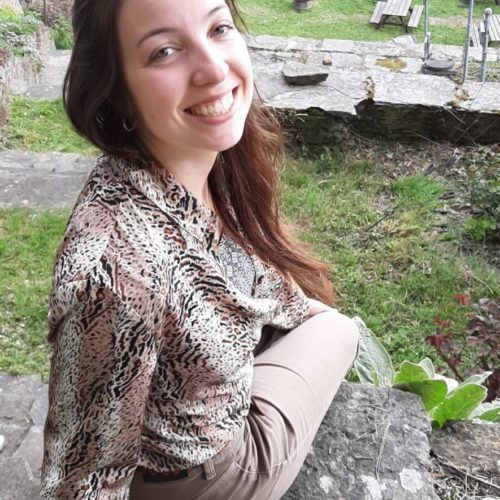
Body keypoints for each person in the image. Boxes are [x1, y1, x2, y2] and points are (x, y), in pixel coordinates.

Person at [40, 0, 360, 498]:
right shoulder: (116, 272)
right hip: (208, 478)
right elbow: (80, 481)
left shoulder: (191, 166)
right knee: (341, 331)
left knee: (315, 319)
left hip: (201, 422)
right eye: (164, 51)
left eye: (219, 28)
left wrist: (297, 307)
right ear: (116, 91)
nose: (213, 69)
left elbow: (235, 274)